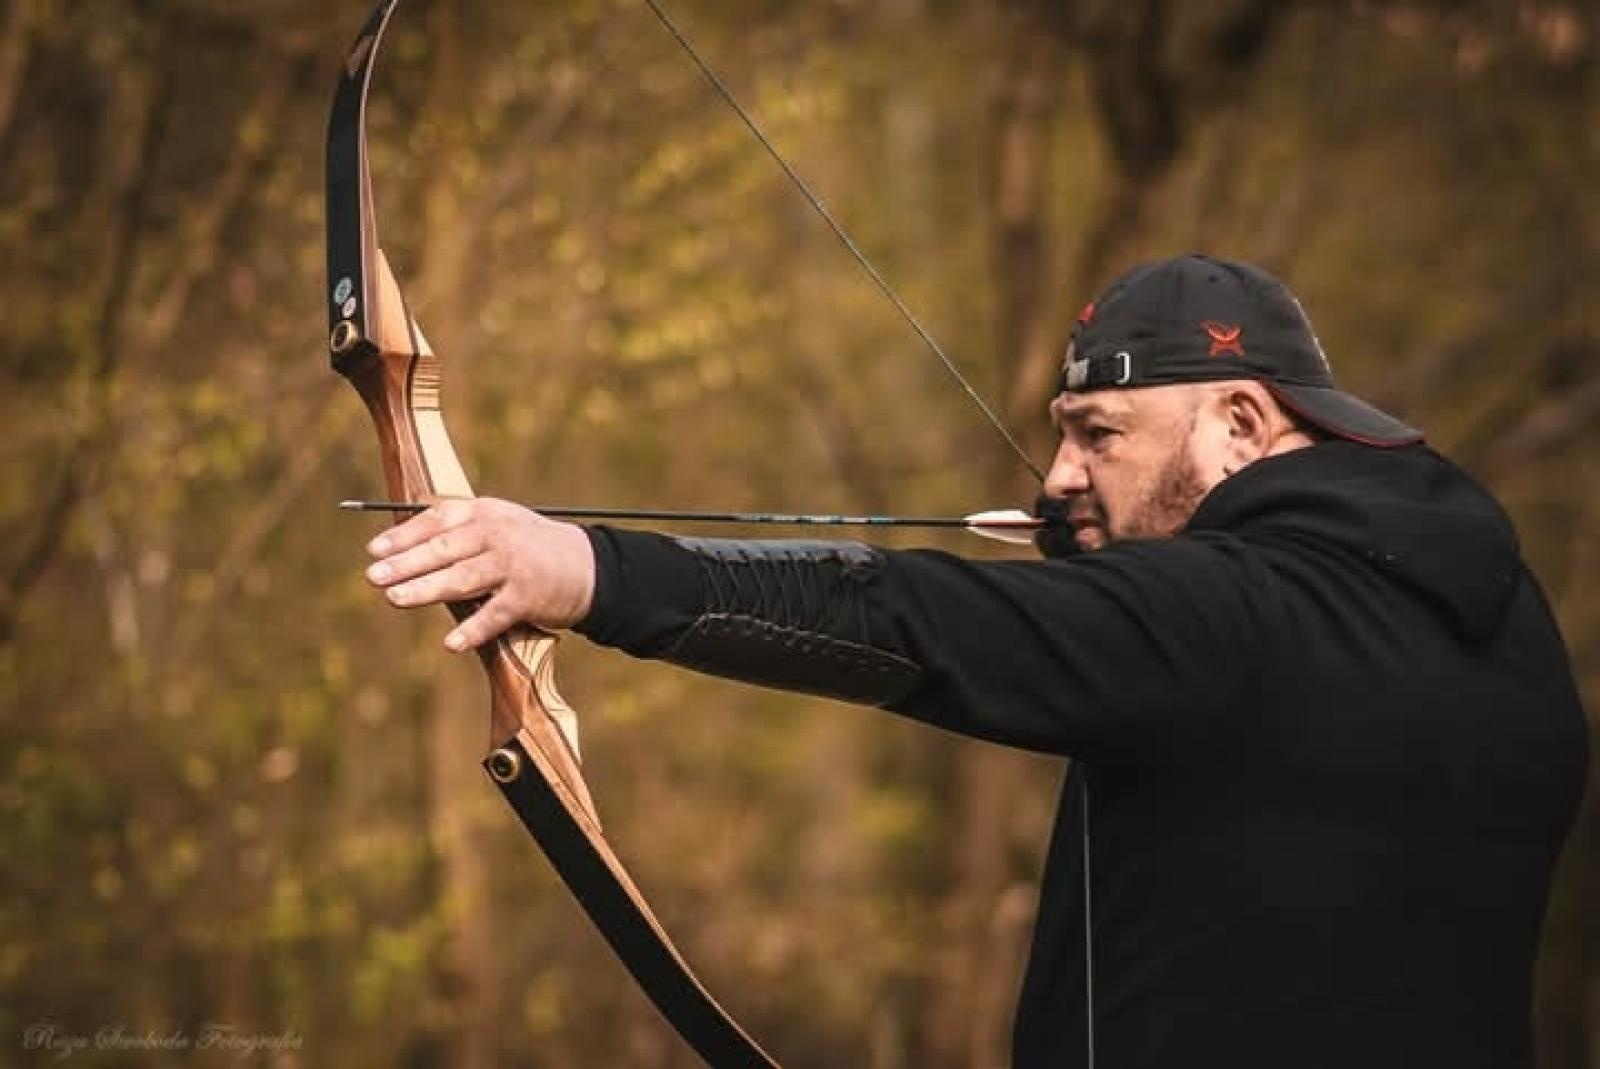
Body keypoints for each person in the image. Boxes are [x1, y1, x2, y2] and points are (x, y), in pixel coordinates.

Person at [362, 254, 1588, 1068]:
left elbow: (910, 618)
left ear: (1242, 423)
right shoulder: (1504, 629)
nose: (1058, 477)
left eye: (1096, 435)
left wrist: (586, 571)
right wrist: (1115, 570)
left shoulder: (1222, 621)